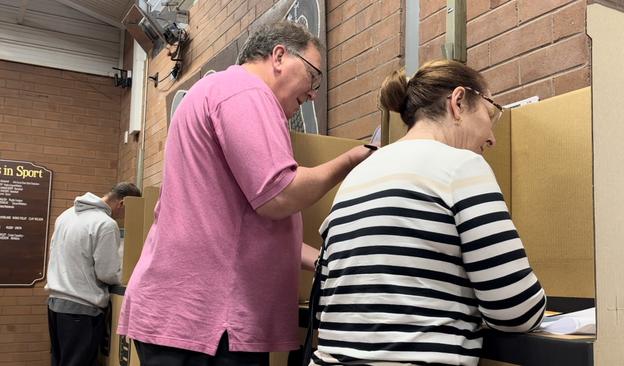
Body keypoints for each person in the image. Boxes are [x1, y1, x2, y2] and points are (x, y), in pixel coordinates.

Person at [117, 21, 373, 365]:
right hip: (207, 321)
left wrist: (324, 260)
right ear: (279, 56)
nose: (313, 93)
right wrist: (355, 158)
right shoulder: (246, 91)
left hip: (191, 314)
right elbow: (277, 196)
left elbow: (242, 224)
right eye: (313, 77)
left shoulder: (220, 91)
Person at [308, 60, 547, 365]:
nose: (492, 138)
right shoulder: (461, 166)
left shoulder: (357, 177)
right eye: (490, 114)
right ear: (458, 102)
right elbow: (517, 310)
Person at [46, 182, 142, 366]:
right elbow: (106, 273)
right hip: (81, 308)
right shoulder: (105, 224)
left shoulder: (66, 215)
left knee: (59, 361)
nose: (125, 218)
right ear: (123, 203)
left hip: (55, 304)